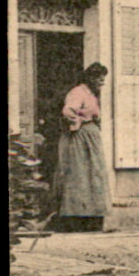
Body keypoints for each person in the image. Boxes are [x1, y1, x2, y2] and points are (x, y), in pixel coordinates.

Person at [51, 63, 109, 232]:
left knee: (94, 175)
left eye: (103, 78)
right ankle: (75, 219)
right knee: (78, 175)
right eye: (99, 78)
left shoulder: (91, 94)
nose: (102, 82)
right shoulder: (78, 92)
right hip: (79, 138)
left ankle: (93, 218)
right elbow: (68, 111)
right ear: (90, 77)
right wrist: (79, 123)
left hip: (90, 137)